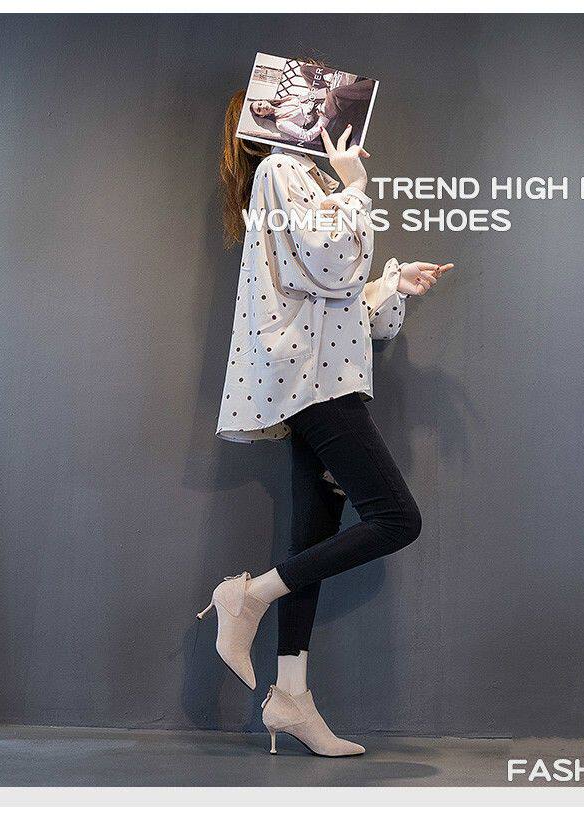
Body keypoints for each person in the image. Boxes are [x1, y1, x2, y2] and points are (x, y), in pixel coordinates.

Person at [200, 89, 454, 757]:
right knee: (396, 519)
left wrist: (391, 285)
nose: (314, 115)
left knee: (311, 538)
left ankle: (290, 695)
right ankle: (247, 596)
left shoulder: (292, 179)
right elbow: (334, 258)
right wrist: (356, 187)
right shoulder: (280, 169)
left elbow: (329, 291)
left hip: (315, 374)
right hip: (315, 381)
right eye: (295, 105)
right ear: (267, 119)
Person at [248, 75, 376, 144]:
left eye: (260, 103)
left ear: (264, 100)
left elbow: (307, 98)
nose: (262, 107)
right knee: (334, 95)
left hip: (317, 102)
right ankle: (373, 87)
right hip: (320, 117)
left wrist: (319, 93)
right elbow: (306, 136)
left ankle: (336, 82)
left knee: (305, 70)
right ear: (262, 116)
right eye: (259, 110)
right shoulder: (281, 123)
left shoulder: (284, 101)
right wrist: (323, 118)